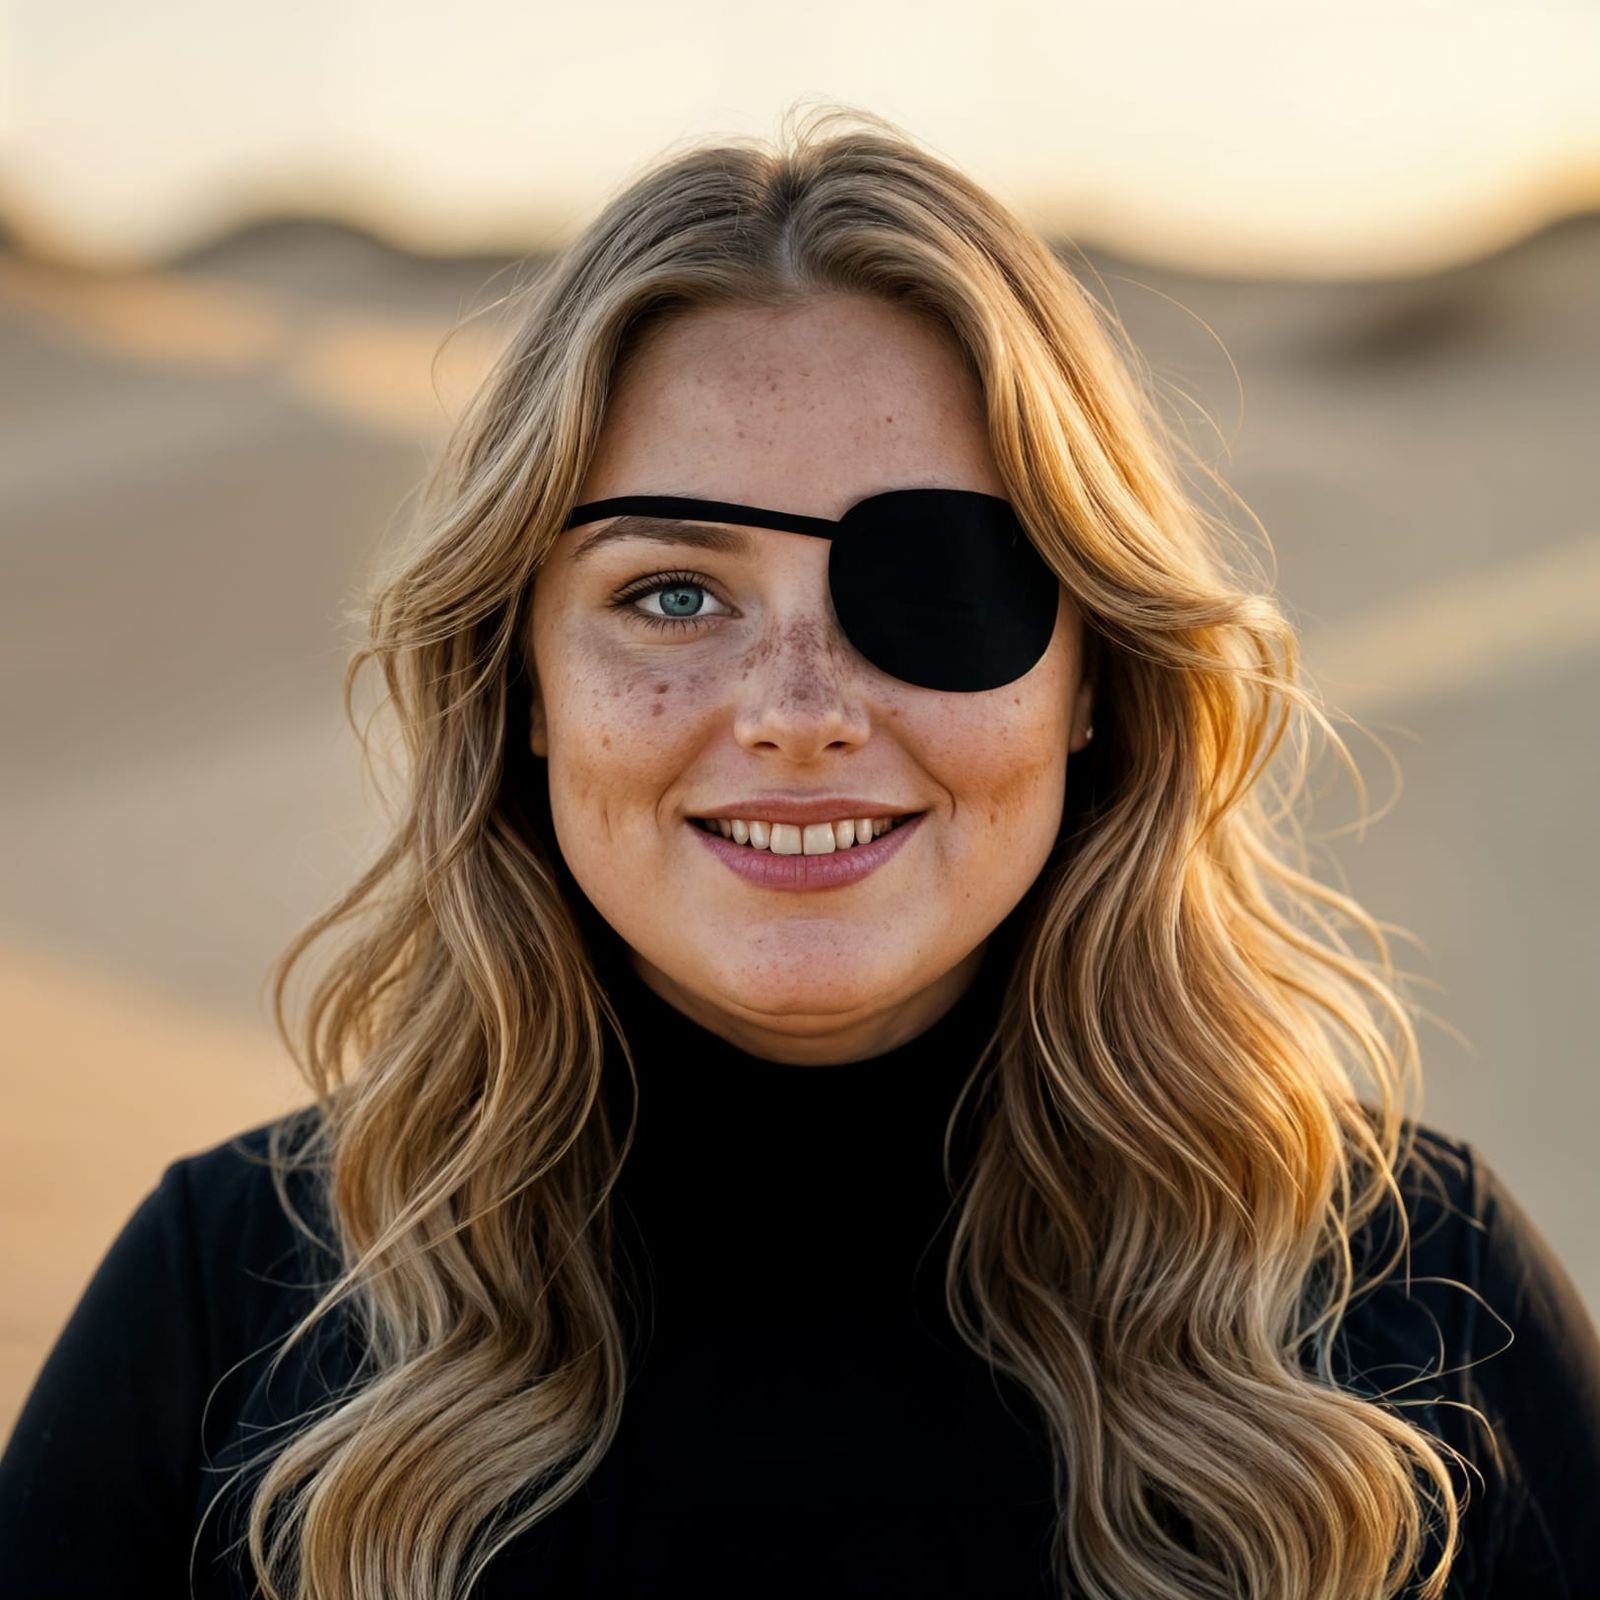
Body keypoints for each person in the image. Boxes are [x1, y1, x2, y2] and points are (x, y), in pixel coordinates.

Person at [2, 105, 1597, 1600]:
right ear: (524, 688)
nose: (796, 713)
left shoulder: (1414, 1300)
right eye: (673, 594)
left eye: (937, 590)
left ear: (1095, 680)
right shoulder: (231, 1305)